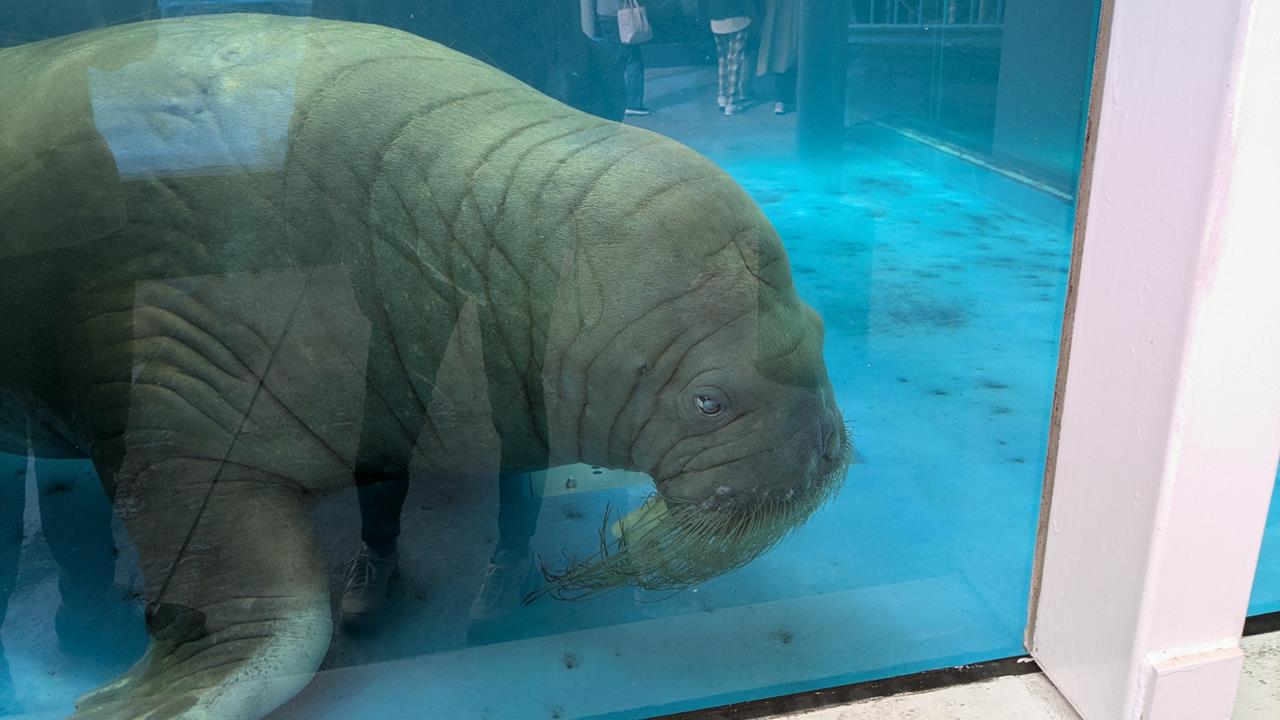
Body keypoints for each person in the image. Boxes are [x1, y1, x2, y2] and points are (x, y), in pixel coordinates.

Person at [595, 0, 650, 116]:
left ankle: (610, 99)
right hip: (621, 16)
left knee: (615, 59)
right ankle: (633, 104)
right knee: (634, 60)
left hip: (604, 13)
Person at [708, 0, 756, 115]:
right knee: (735, 59)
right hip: (739, 16)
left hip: (716, 17)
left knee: (722, 58)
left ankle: (722, 97)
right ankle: (732, 101)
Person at [756, 0, 799, 115]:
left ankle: (781, 100)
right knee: (790, 56)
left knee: (781, 58)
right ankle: (784, 99)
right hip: (792, 17)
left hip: (779, 19)